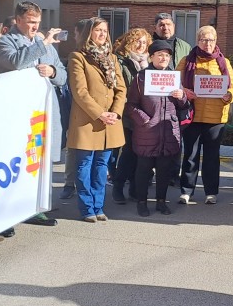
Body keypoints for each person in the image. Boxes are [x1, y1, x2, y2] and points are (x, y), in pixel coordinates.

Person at [0, 0, 68, 228]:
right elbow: (15, 63)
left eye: (37, 22)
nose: (35, 27)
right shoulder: (5, 42)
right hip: (21, 112)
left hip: (45, 112)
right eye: (30, 22)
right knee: (23, 160)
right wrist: (44, 43)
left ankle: (38, 206)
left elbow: (63, 76)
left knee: (42, 159)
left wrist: (53, 70)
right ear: (17, 21)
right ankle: (16, 208)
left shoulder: (41, 42)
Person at [68, 17, 126, 222]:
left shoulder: (112, 58)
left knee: (102, 166)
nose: (102, 34)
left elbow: (121, 88)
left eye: (104, 30)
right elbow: (80, 92)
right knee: (84, 165)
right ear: (88, 33)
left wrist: (115, 113)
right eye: (98, 30)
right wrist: (99, 113)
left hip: (109, 122)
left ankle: (99, 206)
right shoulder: (78, 57)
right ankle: (87, 208)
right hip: (87, 121)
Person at [177, 25, 233, 204]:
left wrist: (230, 95)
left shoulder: (223, 62)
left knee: (212, 157)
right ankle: (186, 191)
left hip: (216, 117)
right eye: (204, 40)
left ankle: (211, 192)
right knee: (190, 155)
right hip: (192, 115)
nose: (208, 43)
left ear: (216, 41)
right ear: (198, 41)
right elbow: (175, 82)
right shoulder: (186, 60)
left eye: (211, 40)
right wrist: (185, 91)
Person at [127, 38, 187, 216]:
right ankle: (142, 201)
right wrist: (145, 120)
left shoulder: (173, 77)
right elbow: (131, 105)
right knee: (143, 170)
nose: (164, 58)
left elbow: (184, 105)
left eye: (167, 56)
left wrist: (181, 96)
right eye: (159, 55)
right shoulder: (141, 78)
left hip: (168, 132)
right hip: (147, 132)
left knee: (164, 171)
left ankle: (161, 201)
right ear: (151, 56)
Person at [111, 28, 152, 204]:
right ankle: (118, 187)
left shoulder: (149, 63)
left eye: (144, 42)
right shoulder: (120, 61)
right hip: (128, 114)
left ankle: (135, 189)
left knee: (141, 155)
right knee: (128, 154)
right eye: (137, 41)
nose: (141, 45)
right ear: (129, 42)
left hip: (146, 115)